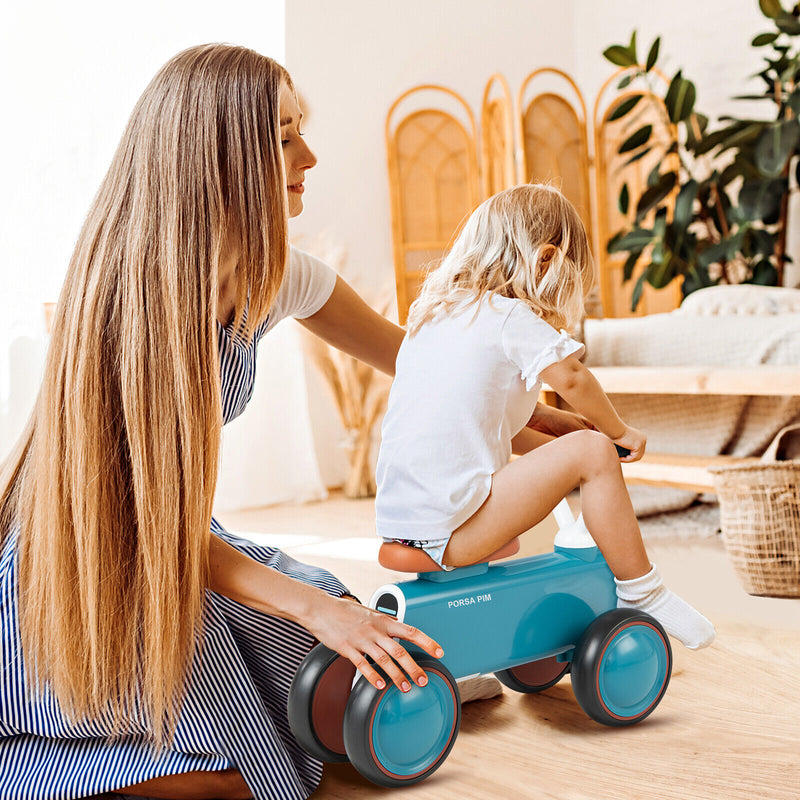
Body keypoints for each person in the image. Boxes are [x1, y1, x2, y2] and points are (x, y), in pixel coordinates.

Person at [0, 44, 445, 800]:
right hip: (89, 564)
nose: (309, 153)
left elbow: (424, 364)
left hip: (181, 548)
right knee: (224, 778)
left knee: (346, 671)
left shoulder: (269, 273)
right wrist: (318, 609)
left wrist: (542, 421)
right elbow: (144, 524)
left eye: (301, 127)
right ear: (222, 156)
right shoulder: (135, 309)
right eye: (283, 136)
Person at [375, 184, 716, 653]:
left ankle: (464, 646)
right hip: (452, 528)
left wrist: (566, 431)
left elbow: (501, 421)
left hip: (409, 521)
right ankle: (643, 590)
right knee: (595, 452)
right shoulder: (508, 317)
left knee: (582, 447)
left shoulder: (435, 319)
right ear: (544, 260)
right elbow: (574, 379)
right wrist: (616, 432)